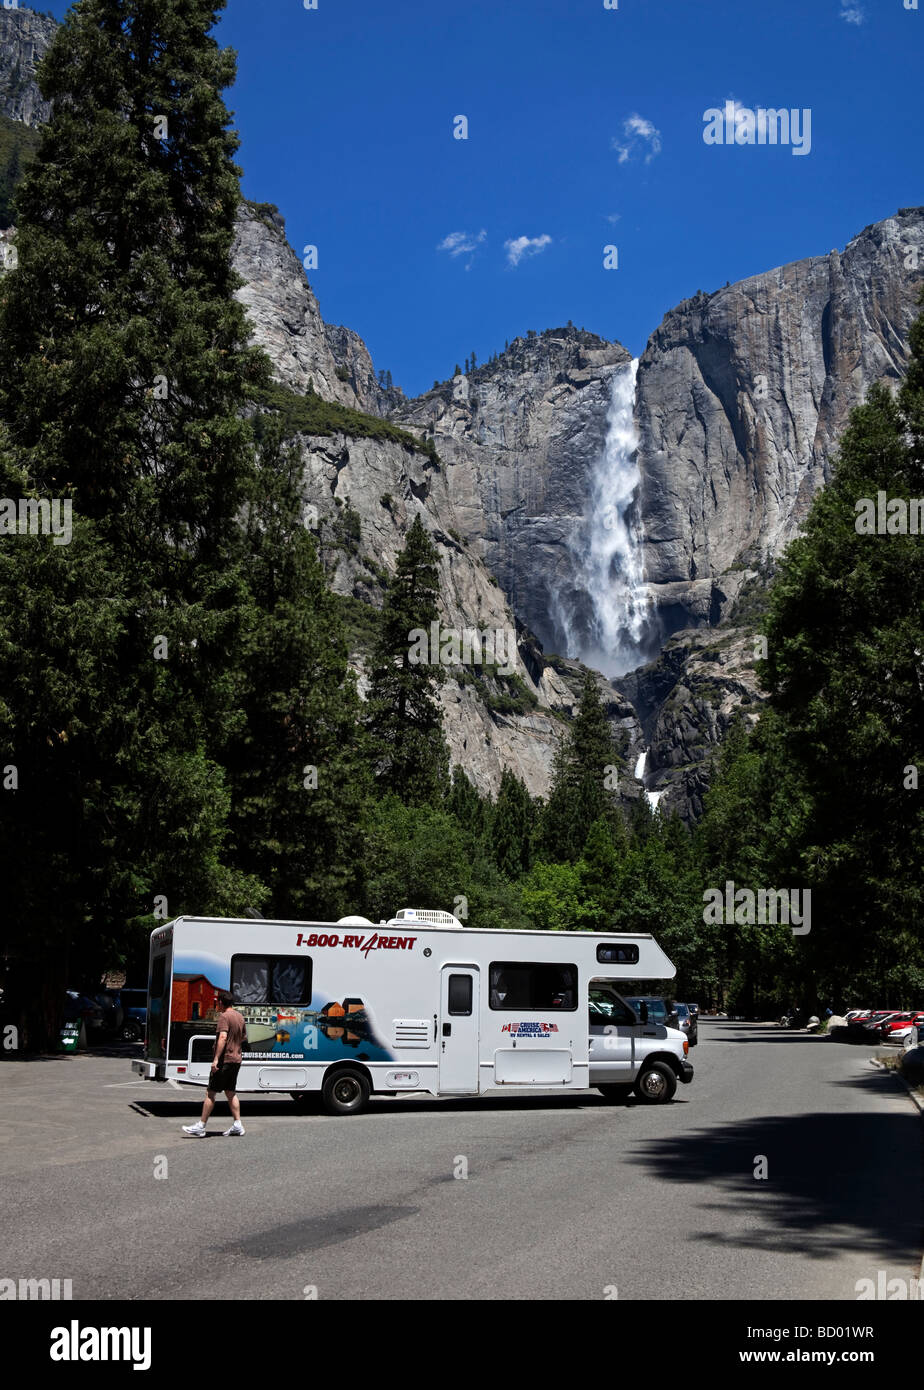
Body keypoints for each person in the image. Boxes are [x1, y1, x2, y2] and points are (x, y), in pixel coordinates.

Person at [182, 991, 246, 1137]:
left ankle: (201, 1126)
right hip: (236, 1059)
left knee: (211, 1093)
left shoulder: (224, 1017)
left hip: (225, 1060)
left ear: (222, 1003)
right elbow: (243, 1037)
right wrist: (234, 1046)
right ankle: (237, 1124)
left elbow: (222, 1037)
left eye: (218, 1002)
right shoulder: (239, 1017)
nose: (217, 1004)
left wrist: (216, 1059)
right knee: (230, 1092)